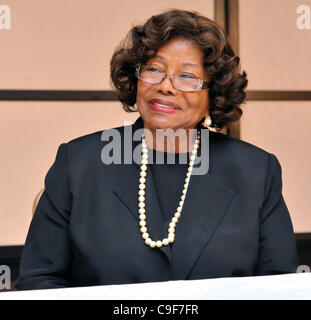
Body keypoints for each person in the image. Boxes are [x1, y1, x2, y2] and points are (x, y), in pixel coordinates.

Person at [16, 9, 298, 290]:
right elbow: (40, 280)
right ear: (136, 77)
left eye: (187, 76)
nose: (166, 86)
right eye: (154, 69)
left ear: (214, 93)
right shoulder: (78, 163)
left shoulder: (256, 172)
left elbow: (279, 287)